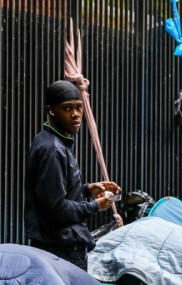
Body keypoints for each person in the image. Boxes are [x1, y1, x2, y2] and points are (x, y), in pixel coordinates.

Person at [25, 80, 121, 271]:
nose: (75, 114)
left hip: (59, 248)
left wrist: (87, 189)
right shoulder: (53, 149)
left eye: (79, 107)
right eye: (67, 108)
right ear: (51, 110)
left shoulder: (54, 141)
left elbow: (53, 193)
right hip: (60, 251)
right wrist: (95, 206)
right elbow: (57, 210)